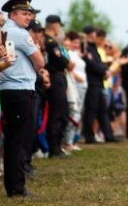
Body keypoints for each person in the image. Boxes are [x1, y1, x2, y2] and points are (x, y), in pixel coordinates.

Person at [0, 0, 45, 197]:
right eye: (24, 14)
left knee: (13, 139)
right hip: (20, 89)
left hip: (10, 90)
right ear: (12, 15)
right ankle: (17, 187)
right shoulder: (19, 33)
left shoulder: (6, 31)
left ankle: (14, 185)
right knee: (18, 140)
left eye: (30, 14)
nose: (29, 17)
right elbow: (40, 62)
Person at [81, 25, 117, 144]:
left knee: (102, 111)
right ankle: (89, 136)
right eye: (91, 34)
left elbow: (99, 63)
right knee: (91, 110)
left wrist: (104, 70)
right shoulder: (86, 48)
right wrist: (104, 70)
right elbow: (91, 64)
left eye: (94, 34)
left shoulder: (93, 48)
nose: (93, 36)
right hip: (92, 83)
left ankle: (109, 135)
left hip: (98, 82)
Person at [44, 14, 72, 158]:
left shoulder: (52, 41)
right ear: (55, 25)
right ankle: (54, 148)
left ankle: (57, 146)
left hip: (58, 77)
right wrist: (66, 61)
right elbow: (62, 62)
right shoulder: (50, 42)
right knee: (57, 113)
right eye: (59, 26)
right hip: (55, 78)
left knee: (63, 112)